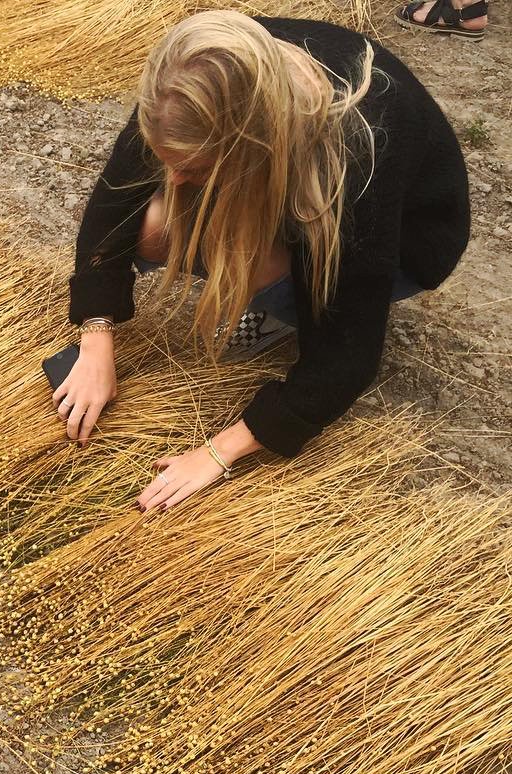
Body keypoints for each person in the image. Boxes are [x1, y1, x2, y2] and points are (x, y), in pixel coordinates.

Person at [54, 13, 470, 512]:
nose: (174, 179)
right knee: (151, 224)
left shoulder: (356, 168)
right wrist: (95, 336)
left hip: (409, 241)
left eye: (192, 168)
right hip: (282, 175)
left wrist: (218, 451)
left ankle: (282, 302)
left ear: (252, 149)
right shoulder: (191, 80)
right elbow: (113, 207)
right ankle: (271, 278)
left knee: (304, 283)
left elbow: (347, 356)